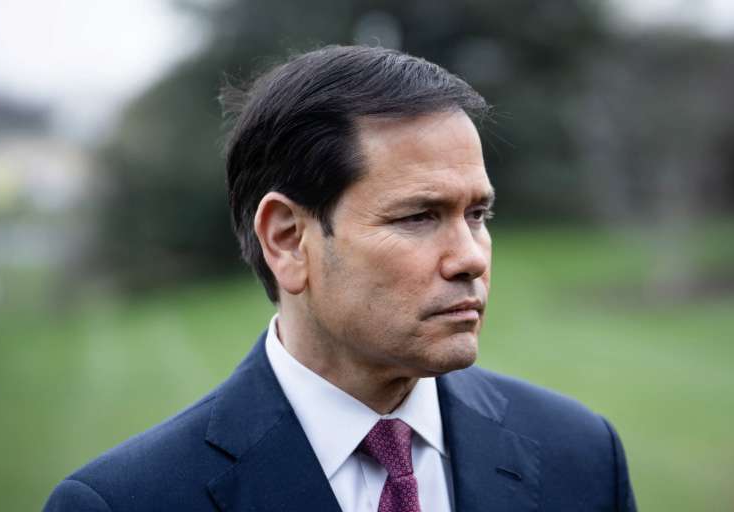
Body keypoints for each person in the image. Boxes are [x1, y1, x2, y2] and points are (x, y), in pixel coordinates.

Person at [44, 45, 636, 512]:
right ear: (287, 239)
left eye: (477, 214)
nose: (470, 258)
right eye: (418, 217)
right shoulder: (125, 502)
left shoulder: (580, 455)